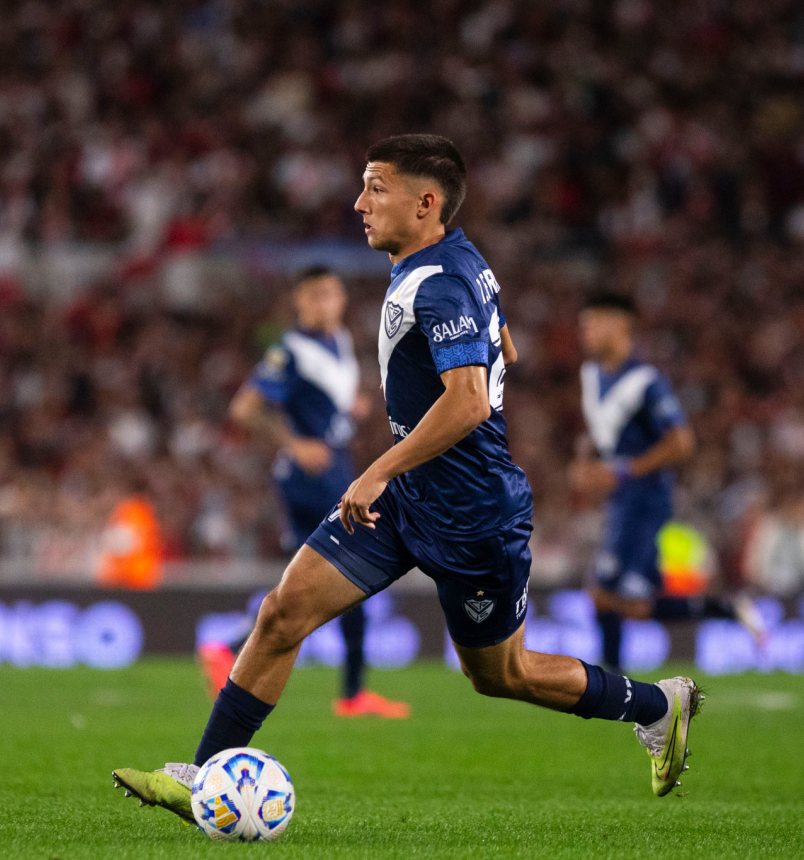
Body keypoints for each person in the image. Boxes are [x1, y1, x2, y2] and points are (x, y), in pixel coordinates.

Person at [112, 134, 702, 822]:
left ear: (425, 203)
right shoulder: (450, 258)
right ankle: (204, 775)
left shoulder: (440, 281)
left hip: (473, 513)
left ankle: (658, 705)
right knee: (281, 613)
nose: (358, 203)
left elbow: (469, 401)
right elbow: (503, 342)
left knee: (499, 674)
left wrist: (376, 469)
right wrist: (477, 360)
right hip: (408, 498)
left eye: (375, 188)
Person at [199, 265, 409, 719]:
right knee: (349, 575)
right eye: (312, 296)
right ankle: (348, 691)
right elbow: (245, 408)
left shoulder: (339, 342)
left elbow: (327, 399)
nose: (322, 304)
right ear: (298, 302)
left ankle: (240, 652)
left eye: (329, 294)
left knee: (325, 582)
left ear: (342, 300)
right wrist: (295, 444)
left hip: (336, 468)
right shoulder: (290, 349)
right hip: (312, 477)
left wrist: (350, 407)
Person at [571, 293, 765, 672]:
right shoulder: (592, 376)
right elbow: (601, 432)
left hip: (645, 500)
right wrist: (584, 462)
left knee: (606, 595)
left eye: (594, 322)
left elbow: (681, 441)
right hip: (621, 500)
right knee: (630, 604)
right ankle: (725, 608)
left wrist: (625, 470)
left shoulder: (644, 381)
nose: (586, 331)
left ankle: (611, 682)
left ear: (621, 324)